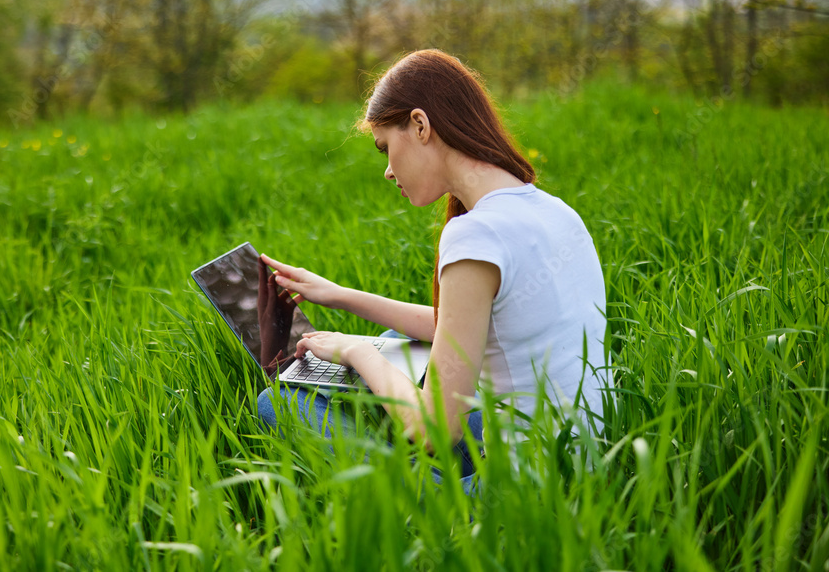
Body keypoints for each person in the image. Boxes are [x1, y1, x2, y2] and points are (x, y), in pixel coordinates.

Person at [256, 49, 608, 494]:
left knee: (278, 405)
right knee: (398, 345)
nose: (387, 171)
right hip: (584, 465)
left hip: (522, 502)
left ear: (420, 125)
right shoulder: (552, 210)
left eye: (386, 147)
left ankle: (401, 490)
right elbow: (464, 325)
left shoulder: (475, 235)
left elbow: (438, 432)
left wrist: (356, 355)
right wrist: (339, 293)